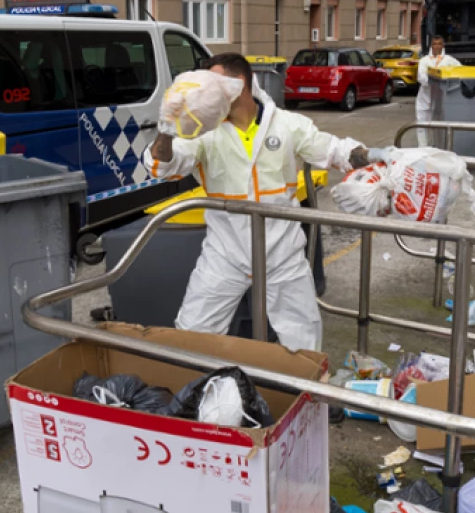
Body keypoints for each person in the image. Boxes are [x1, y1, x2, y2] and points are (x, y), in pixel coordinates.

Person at [145, 53, 375, 352]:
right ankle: (196, 392)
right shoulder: (204, 133)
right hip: (225, 253)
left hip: (282, 253)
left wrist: (382, 158)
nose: (205, 91)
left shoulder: (288, 125)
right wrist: (166, 128)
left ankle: (306, 395)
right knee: (192, 333)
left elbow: (335, 151)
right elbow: (164, 166)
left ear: (238, 84)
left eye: (213, 83)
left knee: (304, 340)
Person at [416, 35, 461, 148]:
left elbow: (460, 71)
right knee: (421, 127)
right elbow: (421, 77)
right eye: (434, 44)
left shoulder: (449, 60)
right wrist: (432, 79)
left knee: (438, 128)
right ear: (431, 45)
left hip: (441, 100)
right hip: (424, 99)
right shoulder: (424, 60)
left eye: (439, 44)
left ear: (443, 45)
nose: (436, 47)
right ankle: (423, 150)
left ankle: (438, 149)